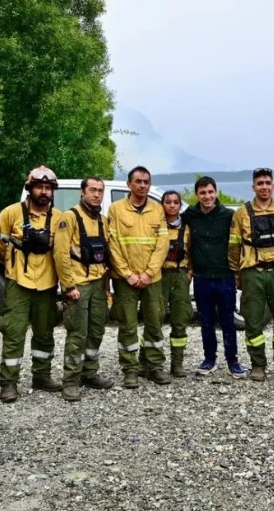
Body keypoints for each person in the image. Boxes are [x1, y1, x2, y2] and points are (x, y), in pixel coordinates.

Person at [0, 166, 62, 402]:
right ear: (29, 188)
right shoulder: (11, 213)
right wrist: (12, 263)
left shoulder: (59, 218)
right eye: (39, 187)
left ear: (52, 192)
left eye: (48, 188)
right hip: (18, 282)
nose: (43, 192)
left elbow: (62, 252)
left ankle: (42, 376)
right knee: (14, 332)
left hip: (47, 285)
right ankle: (8, 383)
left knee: (45, 333)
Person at [229, 168, 274, 382]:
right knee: (253, 321)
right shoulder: (241, 213)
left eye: (268, 183)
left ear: (272, 186)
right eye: (260, 183)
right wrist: (235, 272)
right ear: (253, 187)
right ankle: (258, 364)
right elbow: (234, 245)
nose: (264, 187)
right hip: (252, 272)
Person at [107, 166, 170, 388]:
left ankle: (153, 366)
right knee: (128, 325)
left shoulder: (157, 210)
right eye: (138, 181)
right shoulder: (116, 210)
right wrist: (128, 274)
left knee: (155, 322)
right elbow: (113, 245)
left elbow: (162, 244)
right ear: (129, 184)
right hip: (126, 280)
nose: (143, 185)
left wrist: (148, 273)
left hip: (152, 278)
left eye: (146, 182)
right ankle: (130, 370)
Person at [54, 176, 114, 401]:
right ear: (82, 192)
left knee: (97, 330)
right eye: (92, 190)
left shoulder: (103, 220)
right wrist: (68, 286)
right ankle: (70, 381)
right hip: (78, 284)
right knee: (77, 333)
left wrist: (108, 287)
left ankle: (90, 373)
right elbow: (60, 254)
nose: (97, 194)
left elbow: (107, 256)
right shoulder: (69, 218)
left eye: (100, 190)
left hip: (99, 284)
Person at [181, 177, 248, 378]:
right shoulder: (190, 215)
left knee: (227, 322)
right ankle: (209, 359)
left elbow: (240, 242)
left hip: (225, 277)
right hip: (201, 278)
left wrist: (238, 273)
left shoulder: (228, 215)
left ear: (216, 192)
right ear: (196, 195)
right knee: (206, 322)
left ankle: (233, 361)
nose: (207, 196)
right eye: (203, 193)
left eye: (210, 192)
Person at [160, 190, 193, 378]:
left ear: (180, 205)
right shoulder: (156, 225)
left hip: (180, 275)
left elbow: (193, 252)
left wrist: (189, 272)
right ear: (162, 204)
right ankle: (148, 361)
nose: (172, 205)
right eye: (168, 202)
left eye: (175, 202)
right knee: (155, 319)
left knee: (180, 320)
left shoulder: (187, 227)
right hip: (160, 276)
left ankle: (177, 363)